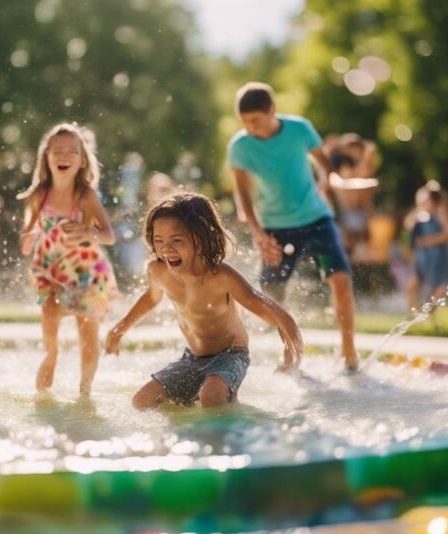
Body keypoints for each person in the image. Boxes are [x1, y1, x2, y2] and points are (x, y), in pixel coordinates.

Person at [104, 193, 303, 408]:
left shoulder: (220, 276)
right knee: (142, 401)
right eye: (158, 240)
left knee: (210, 397)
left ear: (200, 239)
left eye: (177, 240)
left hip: (230, 355)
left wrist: (290, 350)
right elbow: (151, 298)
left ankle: (224, 427)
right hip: (191, 358)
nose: (165, 248)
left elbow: (268, 309)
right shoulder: (158, 270)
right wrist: (119, 330)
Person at [227, 82, 358, 370]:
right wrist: (258, 233)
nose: (250, 127)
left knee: (340, 280)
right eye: (245, 122)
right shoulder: (240, 147)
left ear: (271, 110)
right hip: (274, 226)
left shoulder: (300, 129)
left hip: (316, 218)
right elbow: (243, 195)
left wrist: (326, 181)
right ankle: (290, 352)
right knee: (271, 291)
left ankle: (349, 353)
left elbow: (324, 164)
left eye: (256, 120)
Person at [19, 123, 118, 396]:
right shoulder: (38, 195)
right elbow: (29, 230)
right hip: (50, 268)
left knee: (87, 334)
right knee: (50, 310)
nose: (64, 156)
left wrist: (89, 232)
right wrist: (28, 238)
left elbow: (109, 235)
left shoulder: (85, 196)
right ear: (46, 156)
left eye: (72, 151)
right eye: (57, 151)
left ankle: (84, 392)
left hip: (86, 270)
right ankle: (51, 355)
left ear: (83, 159)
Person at [404, 181, 448, 316]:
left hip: (438, 256)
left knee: (438, 289)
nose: (427, 202)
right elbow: (408, 224)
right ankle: (414, 314)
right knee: (412, 285)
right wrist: (419, 209)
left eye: (429, 199)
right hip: (423, 256)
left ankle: (429, 315)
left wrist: (430, 241)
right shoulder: (421, 215)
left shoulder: (440, 213)